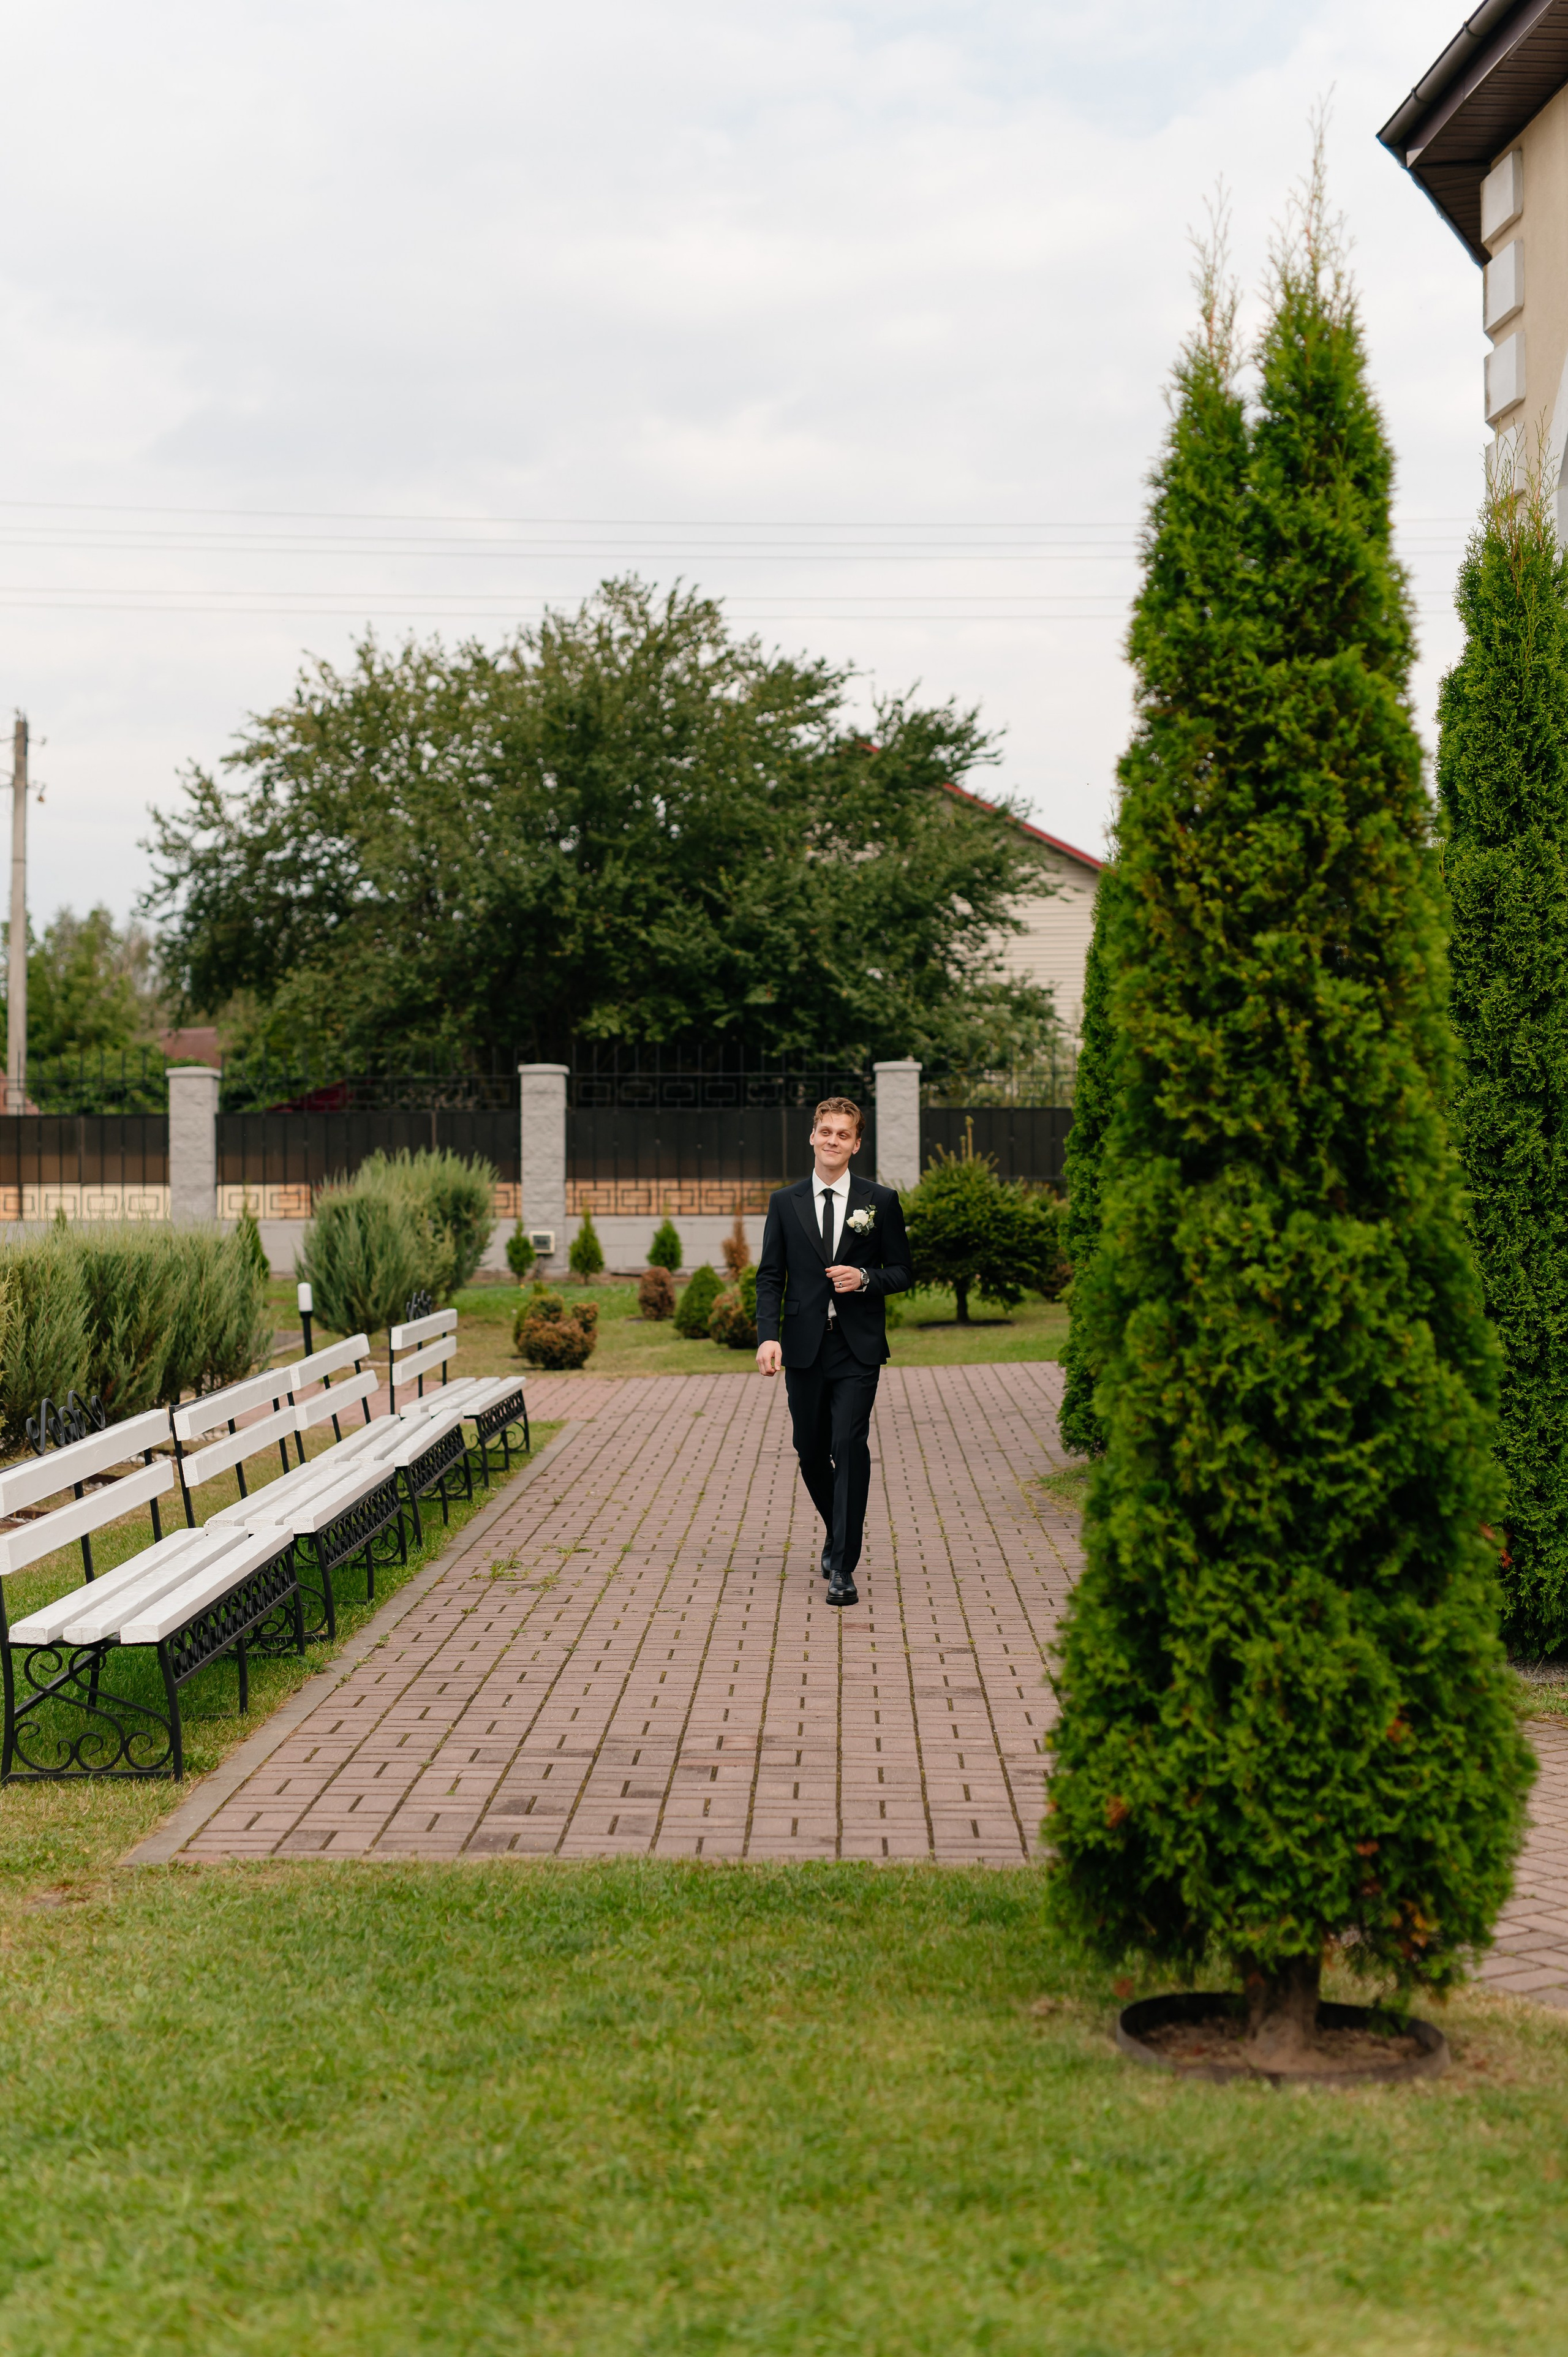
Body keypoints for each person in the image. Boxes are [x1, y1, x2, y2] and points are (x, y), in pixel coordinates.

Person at [754, 1096, 913, 1607]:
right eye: (826, 1132)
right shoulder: (785, 1202)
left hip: (856, 1347)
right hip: (802, 1346)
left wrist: (865, 1277)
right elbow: (770, 1276)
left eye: (843, 1135)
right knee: (810, 1449)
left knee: (848, 1445)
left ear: (857, 1144)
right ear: (813, 1136)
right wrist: (767, 1334)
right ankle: (838, 1529)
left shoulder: (880, 1201)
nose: (833, 1141)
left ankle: (843, 1564)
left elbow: (903, 1271)